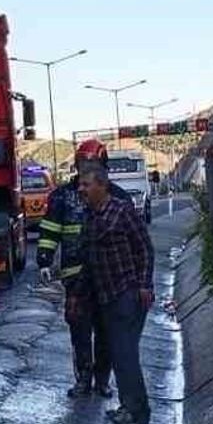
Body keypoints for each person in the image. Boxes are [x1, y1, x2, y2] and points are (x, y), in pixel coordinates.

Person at [36, 139, 132, 398]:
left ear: (102, 166)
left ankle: (102, 381)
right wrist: (44, 259)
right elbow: (50, 230)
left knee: (106, 331)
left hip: (108, 277)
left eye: (91, 164)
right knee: (79, 329)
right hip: (76, 277)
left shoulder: (120, 198)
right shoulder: (61, 196)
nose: (85, 169)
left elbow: (133, 241)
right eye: (82, 164)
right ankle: (83, 379)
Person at [80, 165, 155, 424]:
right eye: (81, 184)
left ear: (102, 185)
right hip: (106, 297)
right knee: (121, 353)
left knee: (124, 354)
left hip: (128, 293)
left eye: (87, 184)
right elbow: (88, 261)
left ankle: (135, 411)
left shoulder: (122, 211)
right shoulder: (90, 217)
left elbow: (145, 248)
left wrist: (144, 285)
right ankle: (133, 407)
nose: (82, 189)